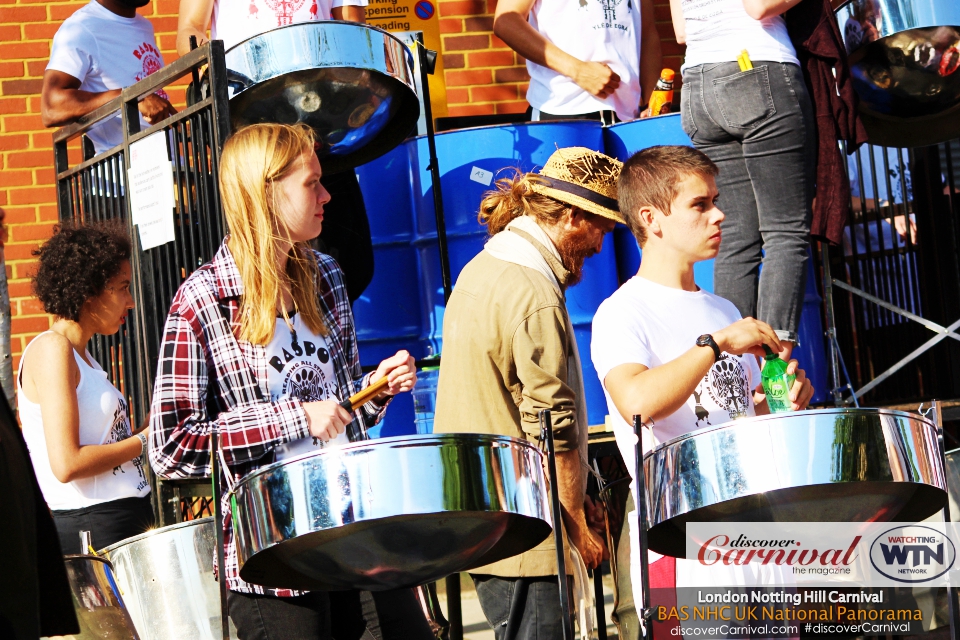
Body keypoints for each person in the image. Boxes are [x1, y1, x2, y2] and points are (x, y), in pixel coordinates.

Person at [148, 122, 430, 640]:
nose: (326, 196)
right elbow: (170, 448)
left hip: (353, 527)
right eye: (311, 183)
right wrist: (292, 418)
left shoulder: (326, 275)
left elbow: (340, 411)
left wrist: (377, 388)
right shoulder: (202, 300)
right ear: (266, 191)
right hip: (273, 559)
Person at [591, 145, 814, 636]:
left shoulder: (723, 308)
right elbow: (636, 402)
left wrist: (781, 400)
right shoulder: (621, 312)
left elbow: (735, 419)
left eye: (715, 200)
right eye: (700, 204)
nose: (719, 214)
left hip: (754, 525)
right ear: (652, 218)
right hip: (684, 537)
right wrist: (714, 345)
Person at [433, 147, 618, 638]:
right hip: (528, 534)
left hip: (487, 518)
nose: (601, 244)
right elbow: (552, 426)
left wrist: (575, 499)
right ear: (574, 217)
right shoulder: (533, 290)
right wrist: (575, 519)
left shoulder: (484, 267)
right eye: (601, 226)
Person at [176, 0, 373, 302]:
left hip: (318, 116)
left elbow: (351, 31)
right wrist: (212, 61)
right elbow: (188, 32)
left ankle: (326, 336)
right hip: (255, 111)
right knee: (264, 249)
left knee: (348, 260)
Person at [669, 0, 816, 360]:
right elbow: (760, 6)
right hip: (757, 67)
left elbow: (681, 31)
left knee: (736, 238)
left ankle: (737, 375)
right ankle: (773, 376)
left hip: (699, 82)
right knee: (784, 232)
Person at [19, 222, 153, 553]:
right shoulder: (53, 349)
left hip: (120, 518)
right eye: (122, 287)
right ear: (90, 290)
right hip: (94, 526)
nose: (131, 301)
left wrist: (147, 428)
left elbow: (104, 447)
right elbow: (67, 464)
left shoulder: (82, 355)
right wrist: (145, 440)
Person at [493, 0, 664, 123]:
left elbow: (647, 33)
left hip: (630, 116)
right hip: (564, 113)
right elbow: (506, 20)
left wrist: (652, 102)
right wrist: (577, 70)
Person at [41, 0, 176, 155]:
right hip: (122, 169)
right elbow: (52, 107)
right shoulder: (81, 28)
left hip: (164, 162)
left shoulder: (143, 26)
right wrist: (132, 97)